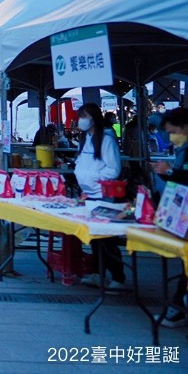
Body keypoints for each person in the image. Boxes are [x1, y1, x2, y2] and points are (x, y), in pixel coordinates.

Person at [150, 107, 188, 329]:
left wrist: (170, 172)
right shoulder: (185, 148)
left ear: (186, 128)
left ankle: (180, 308)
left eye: (173, 132)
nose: (170, 137)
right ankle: (181, 306)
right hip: (187, 214)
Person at [73, 103, 126, 292]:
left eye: (84, 116)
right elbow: (83, 162)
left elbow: (114, 169)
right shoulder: (86, 138)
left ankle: (118, 277)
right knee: (95, 237)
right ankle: (98, 273)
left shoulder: (107, 140)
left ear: (94, 118)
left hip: (104, 196)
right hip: (90, 195)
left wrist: (95, 179)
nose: (81, 120)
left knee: (107, 238)